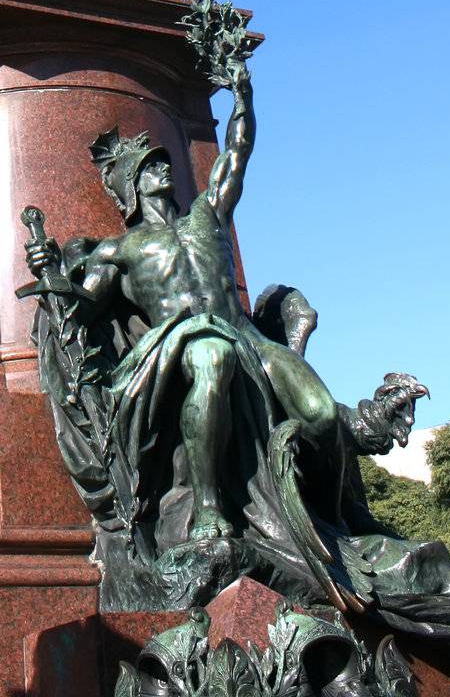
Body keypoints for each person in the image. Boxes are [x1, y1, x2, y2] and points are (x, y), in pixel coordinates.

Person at [26, 61, 341, 544]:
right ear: (131, 184)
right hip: (181, 341)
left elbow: (237, 152)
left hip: (246, 337)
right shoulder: (119, 250)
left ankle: (324, 525)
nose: (162, 167)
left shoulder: (206, 213)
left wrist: (242, 96)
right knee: (210, 356)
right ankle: (210, 509)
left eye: (162, 161)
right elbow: (82, 310)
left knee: (322, 414)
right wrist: (49, 270)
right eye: (149, 166)